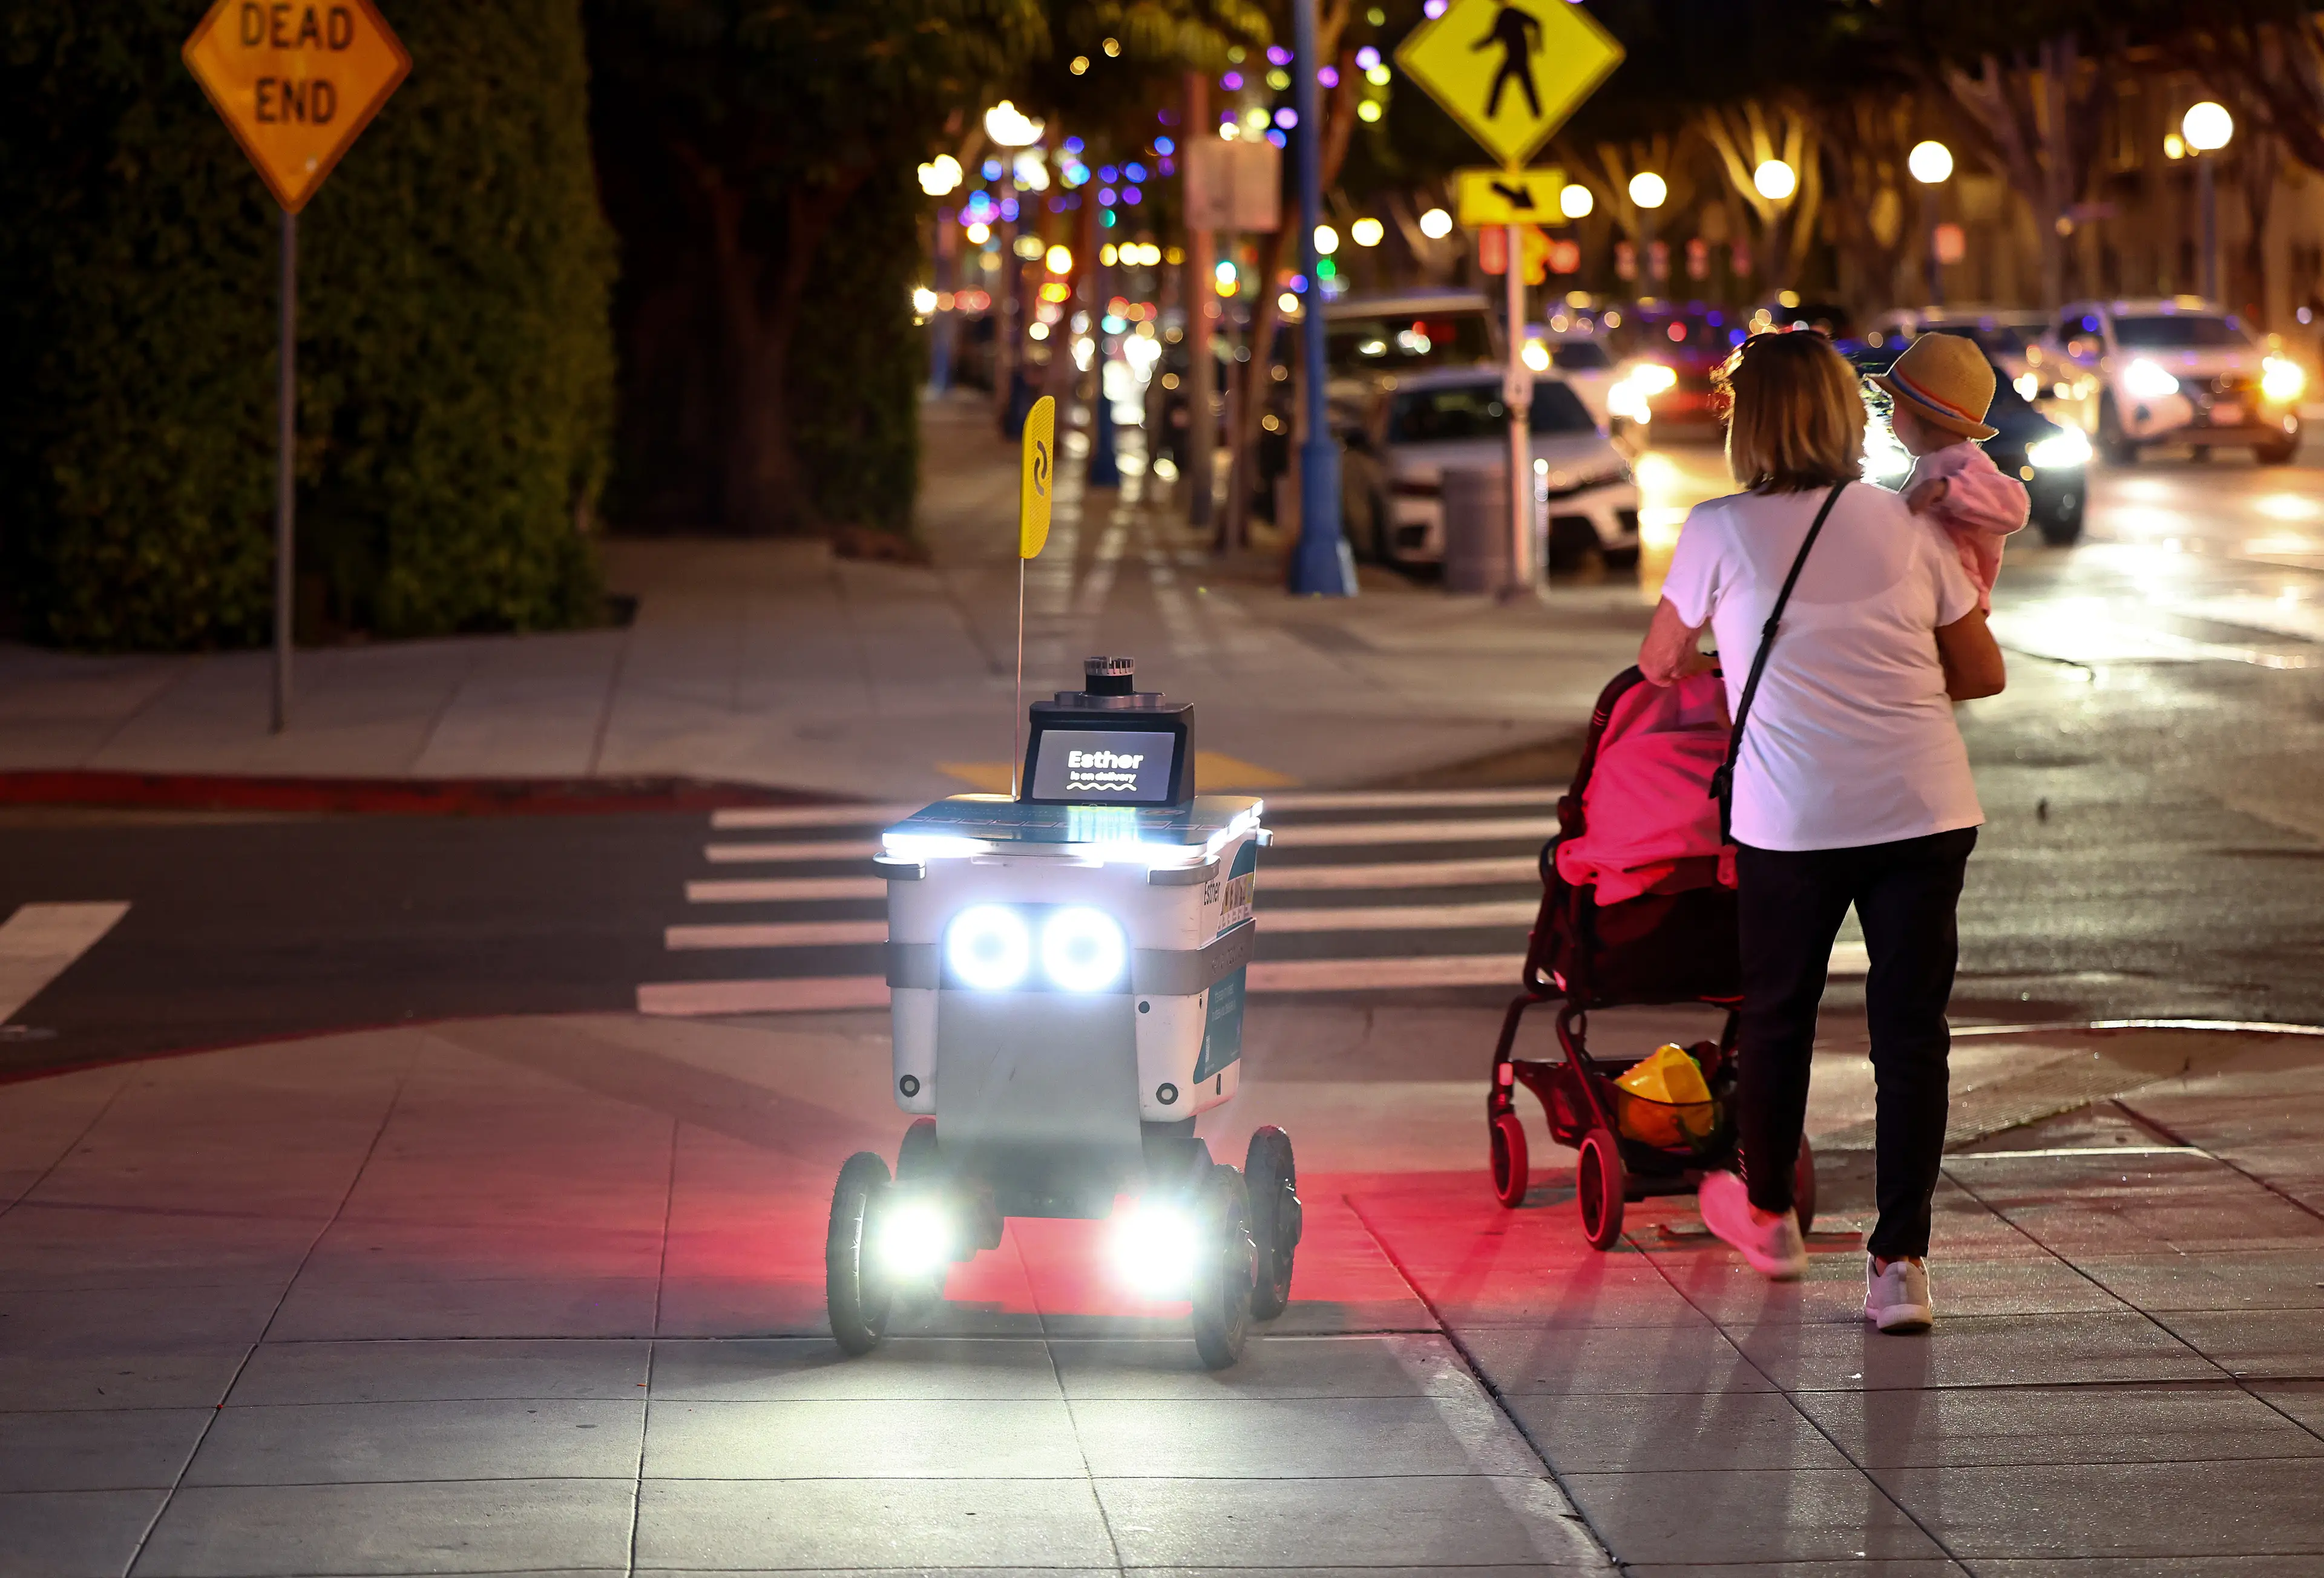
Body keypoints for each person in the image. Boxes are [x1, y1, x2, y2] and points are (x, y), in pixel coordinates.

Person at [1636, 330, 2006, 1334]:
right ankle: (1900, 1268)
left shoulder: (1718, 527)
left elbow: (1661, 662)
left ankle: (1769, 1219)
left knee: (1779, 1015)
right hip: (1923, 808)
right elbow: (1982, 672)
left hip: (1789, 816)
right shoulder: (1910, 522)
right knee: (1910, 1034)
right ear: (1848, 414)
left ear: (1746, 424)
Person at [1874, 333, 2029, 612]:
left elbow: (2014, 505)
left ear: (1919, 415)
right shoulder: (1932, 462)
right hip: (1933, 594)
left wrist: (1946, 490)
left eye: (1897, 405)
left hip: (1960, 602)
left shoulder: (1965, 463)